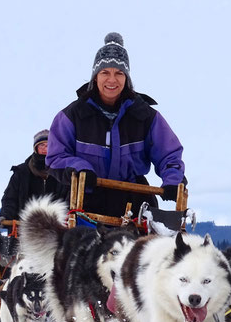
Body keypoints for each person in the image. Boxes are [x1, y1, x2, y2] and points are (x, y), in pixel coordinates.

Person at [47, 32, 187, 218]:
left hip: (134, 200)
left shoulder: (145, 116)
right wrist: (80, 167)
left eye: (119, 73)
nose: (112, 80)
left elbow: (169, 155)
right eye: (105, 72)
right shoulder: (73, 115)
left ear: (126, 78)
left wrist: (172, 180)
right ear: (95, 76)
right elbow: (56, 156)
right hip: (86, 200)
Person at [0, 129, 64, 221]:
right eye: (42, 145)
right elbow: (10, 198)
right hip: (25, 226)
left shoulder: (62, 173)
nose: (45, 149)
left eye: (49, 145)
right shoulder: (21, 172)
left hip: (54, 225)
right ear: (36, 148)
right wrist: (5, 215)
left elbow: (67, 200)